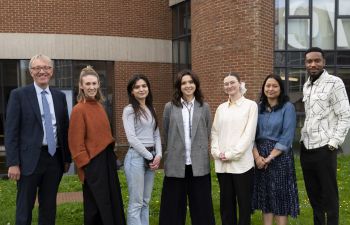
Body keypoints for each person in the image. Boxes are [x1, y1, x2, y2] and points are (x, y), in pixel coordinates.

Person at [5, 54, 71, 225]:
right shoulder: (18, 95)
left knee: (49, 207)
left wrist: (66, 158)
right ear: (30, 72)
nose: (42, 71)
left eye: (46, 68)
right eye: (37, 68)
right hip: (28, 160)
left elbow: (64, 129)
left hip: (54, 158)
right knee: (24, 208)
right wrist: (13, 162)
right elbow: (11, 131)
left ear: (52, 71)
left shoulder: (59, 96)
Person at [68, 66, 126, 225]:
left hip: (106, 162)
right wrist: (86, 166)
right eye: (88, 84)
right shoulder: (78, 109)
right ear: (81, 85)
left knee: (111, 203)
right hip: (93, 164)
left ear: (99, 84)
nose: (91, 87)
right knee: (96, 207)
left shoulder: (100, 106)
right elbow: (75, 142)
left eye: (94, 83)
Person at [300, 47, 350, 225]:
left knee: (329, 196)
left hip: (325, 148)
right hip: (307, 148)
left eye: (317, 60)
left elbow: (345, 115)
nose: (313, 64)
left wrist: (334, 143)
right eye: (309, 61)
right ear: (305, 64)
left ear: (324, 62)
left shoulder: (334, 83)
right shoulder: (307, 85)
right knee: (314, 197)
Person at [159, 69, 215, 225]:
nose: (188, 85)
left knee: (202, 207)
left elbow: (207, 131)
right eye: (184, 83)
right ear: (179, 86)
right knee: (173, 207)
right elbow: (166, 134)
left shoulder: (204, 107)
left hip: (199, 165)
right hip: (176, 164)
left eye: (191, 82)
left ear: (196, 85)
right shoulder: (169, 107)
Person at [251, 74, 299, 225]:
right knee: (266, 198)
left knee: (280, 197)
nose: (270, 89)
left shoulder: (287, 107)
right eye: (268, 86)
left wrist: (269, 157)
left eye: (275, 86)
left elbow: (287, 136)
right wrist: (258, 158)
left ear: (280, 88)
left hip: (279, 157)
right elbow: (249, 134)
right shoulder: (257, 108)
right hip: (259, 156)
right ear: (263, 88)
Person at [211, 72, 258, 225]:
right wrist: (216, 152)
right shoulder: (221, 108)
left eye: (232, 82)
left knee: (244, 205)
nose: (229, 86)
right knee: (226, 205)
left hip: (242, 165)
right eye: (226, 84)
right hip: (222, 164)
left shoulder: (251, 106)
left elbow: (248, 135)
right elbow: (215, 132)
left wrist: (232, 154)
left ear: (240, 84)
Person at [122, 74, 162, 225]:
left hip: (150, 156)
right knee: (136, 203)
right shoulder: (129, 110)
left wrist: (158, 155)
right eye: (137, 87)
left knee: (146, 202)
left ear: (148, 88)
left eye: (144, 86)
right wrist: (149, 156)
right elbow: (131, 138)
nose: (141, 89)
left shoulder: (151, 109)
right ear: (132, 91)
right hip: (136, 158)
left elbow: (156, 134)